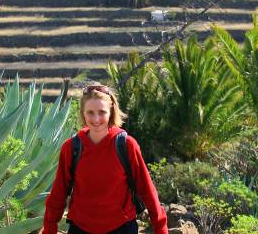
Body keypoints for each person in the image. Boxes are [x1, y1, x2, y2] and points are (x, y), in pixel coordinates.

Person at [42, 84, 168, 234]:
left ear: (111, 111)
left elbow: (147, 190)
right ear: (83, 113)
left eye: (102, 112)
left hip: (122, 227)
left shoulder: (126, 145)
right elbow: (58, 193)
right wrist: (49, 228)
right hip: (81, 228)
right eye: (90, 112)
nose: (96, 119)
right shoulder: (71, 148)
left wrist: (161, 228)